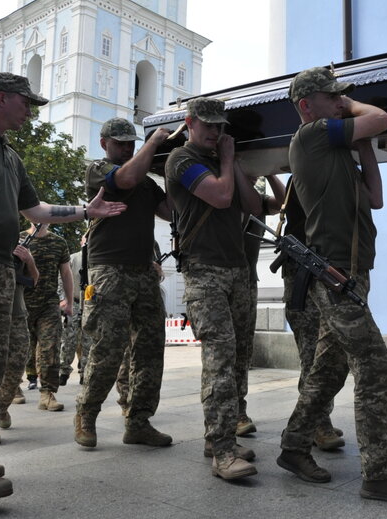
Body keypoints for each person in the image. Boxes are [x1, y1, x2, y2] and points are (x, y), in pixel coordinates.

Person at [0, 72, 126, 504]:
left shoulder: (10, 156)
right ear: (2, 99)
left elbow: (36, 208)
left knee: (5, 356)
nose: (32, 111)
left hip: (0, 264)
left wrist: (87, 211)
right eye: (27, 103)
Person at [277, 66, 387, 504]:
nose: (341, 102)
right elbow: (381, 119)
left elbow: (376, 197)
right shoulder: (312, 135)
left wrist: (361, 145)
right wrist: (355, 113)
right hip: (332, 273)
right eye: (333, 97)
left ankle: (292, 447)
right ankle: (378, 473)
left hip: (351, 273)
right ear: (308, 106)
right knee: (376, 366)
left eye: (342, 97)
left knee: (329, 370)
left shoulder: (335, 149)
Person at [165, 97, 261, 480]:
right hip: (204, 271)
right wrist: (226, 162)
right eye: (209, 125)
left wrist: (235, 164)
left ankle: (219, 436)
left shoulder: (222, 162)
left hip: (238, 269)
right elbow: (220, 197)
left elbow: (253, 205)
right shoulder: (181, 160)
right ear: (190, 123)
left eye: (221, 126)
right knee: (220, 361)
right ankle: (222, 453)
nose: (216, 132)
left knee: (238, 360)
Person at [74, 118, 172, 450]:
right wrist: (154, 145)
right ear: (104, 144)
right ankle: (86, 414)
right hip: (109, 270)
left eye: (131, 143)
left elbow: (170, 211)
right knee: (108, 348)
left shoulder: (146, 180)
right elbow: (126, 176)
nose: (127, 148)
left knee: (149, 348)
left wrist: (175, 172)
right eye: (120, 143)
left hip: (144, 270)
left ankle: (139, 421)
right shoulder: (98, 170)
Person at [280, 181, 345, 451]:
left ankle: (318, 417)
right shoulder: (307, 172)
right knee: (314, 356)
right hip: (304, 274)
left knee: (327, 354)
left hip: (324, 273)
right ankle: (314, 424)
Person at [236, 174, 284, 438]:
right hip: (220, 277)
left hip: (247, 279)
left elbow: (281, 202)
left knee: (243, 350)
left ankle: (238, 409)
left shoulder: (254, 194)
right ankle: (228, 413)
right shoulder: (225, 187)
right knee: (224, 353)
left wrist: (270, 172)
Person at [0, 243, 39, 446]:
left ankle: (1, 407)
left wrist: (29, 261)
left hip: (16, 316)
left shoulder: (19, 248)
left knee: (16, 369)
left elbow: (33, 280)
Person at [22, 222, 72, 412]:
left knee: (50, 348)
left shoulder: (58, 242)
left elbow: (66, 273)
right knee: (18, 349)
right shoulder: (17, 238)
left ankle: (48, 393)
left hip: (49, 304)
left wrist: (68, 301)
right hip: (21, 302)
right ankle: (13, 390)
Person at [59, 238, 93, 386]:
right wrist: (63, 299)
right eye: (86, 239)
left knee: (88, 341)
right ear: (81, 242)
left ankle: (85, 372)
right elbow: (61, 278)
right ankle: (63, 371)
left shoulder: (97, 261)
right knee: (68, 339)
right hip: (74, 303)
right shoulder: (73, 258)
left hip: (90, 305)